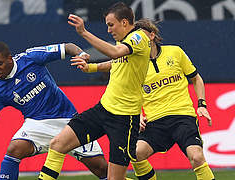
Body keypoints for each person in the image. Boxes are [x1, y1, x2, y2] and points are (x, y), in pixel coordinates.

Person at [72, 18, 215, 180]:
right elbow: (114, 62)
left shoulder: (175, 52)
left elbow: (196, 78)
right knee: (135, 154)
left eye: (141, 34)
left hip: (182, 116)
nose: (137, 38)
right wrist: (90, 67)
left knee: (196, 157)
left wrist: (202, 104)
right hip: (155, 121)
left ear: (152, 35)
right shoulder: (135, 59)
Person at [0, 41, 108, 180]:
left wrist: (81, 54)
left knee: (102, 169)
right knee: (14, 149)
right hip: (37, 124)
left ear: (10, 59)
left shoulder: (31, 58)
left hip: (69, 120)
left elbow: (68, 47)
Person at [38, 2, 151, 180]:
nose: (108, 30)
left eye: (110, 25)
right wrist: (92, 68)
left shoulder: (138, 38)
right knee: (57, 144)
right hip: (103, 110)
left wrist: (83, 32)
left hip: (124, 120)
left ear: (124, 22)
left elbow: (115, 53)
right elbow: (117, 63)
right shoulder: (123, 41)